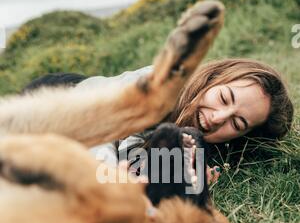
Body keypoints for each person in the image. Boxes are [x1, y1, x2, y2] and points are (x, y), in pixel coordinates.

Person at [22, 57, 294, 185]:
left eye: (237, 124)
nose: (217, 118)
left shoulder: (205, 147)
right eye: (223, 98)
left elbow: (140, 159)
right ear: (212, 78)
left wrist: (187, 179)